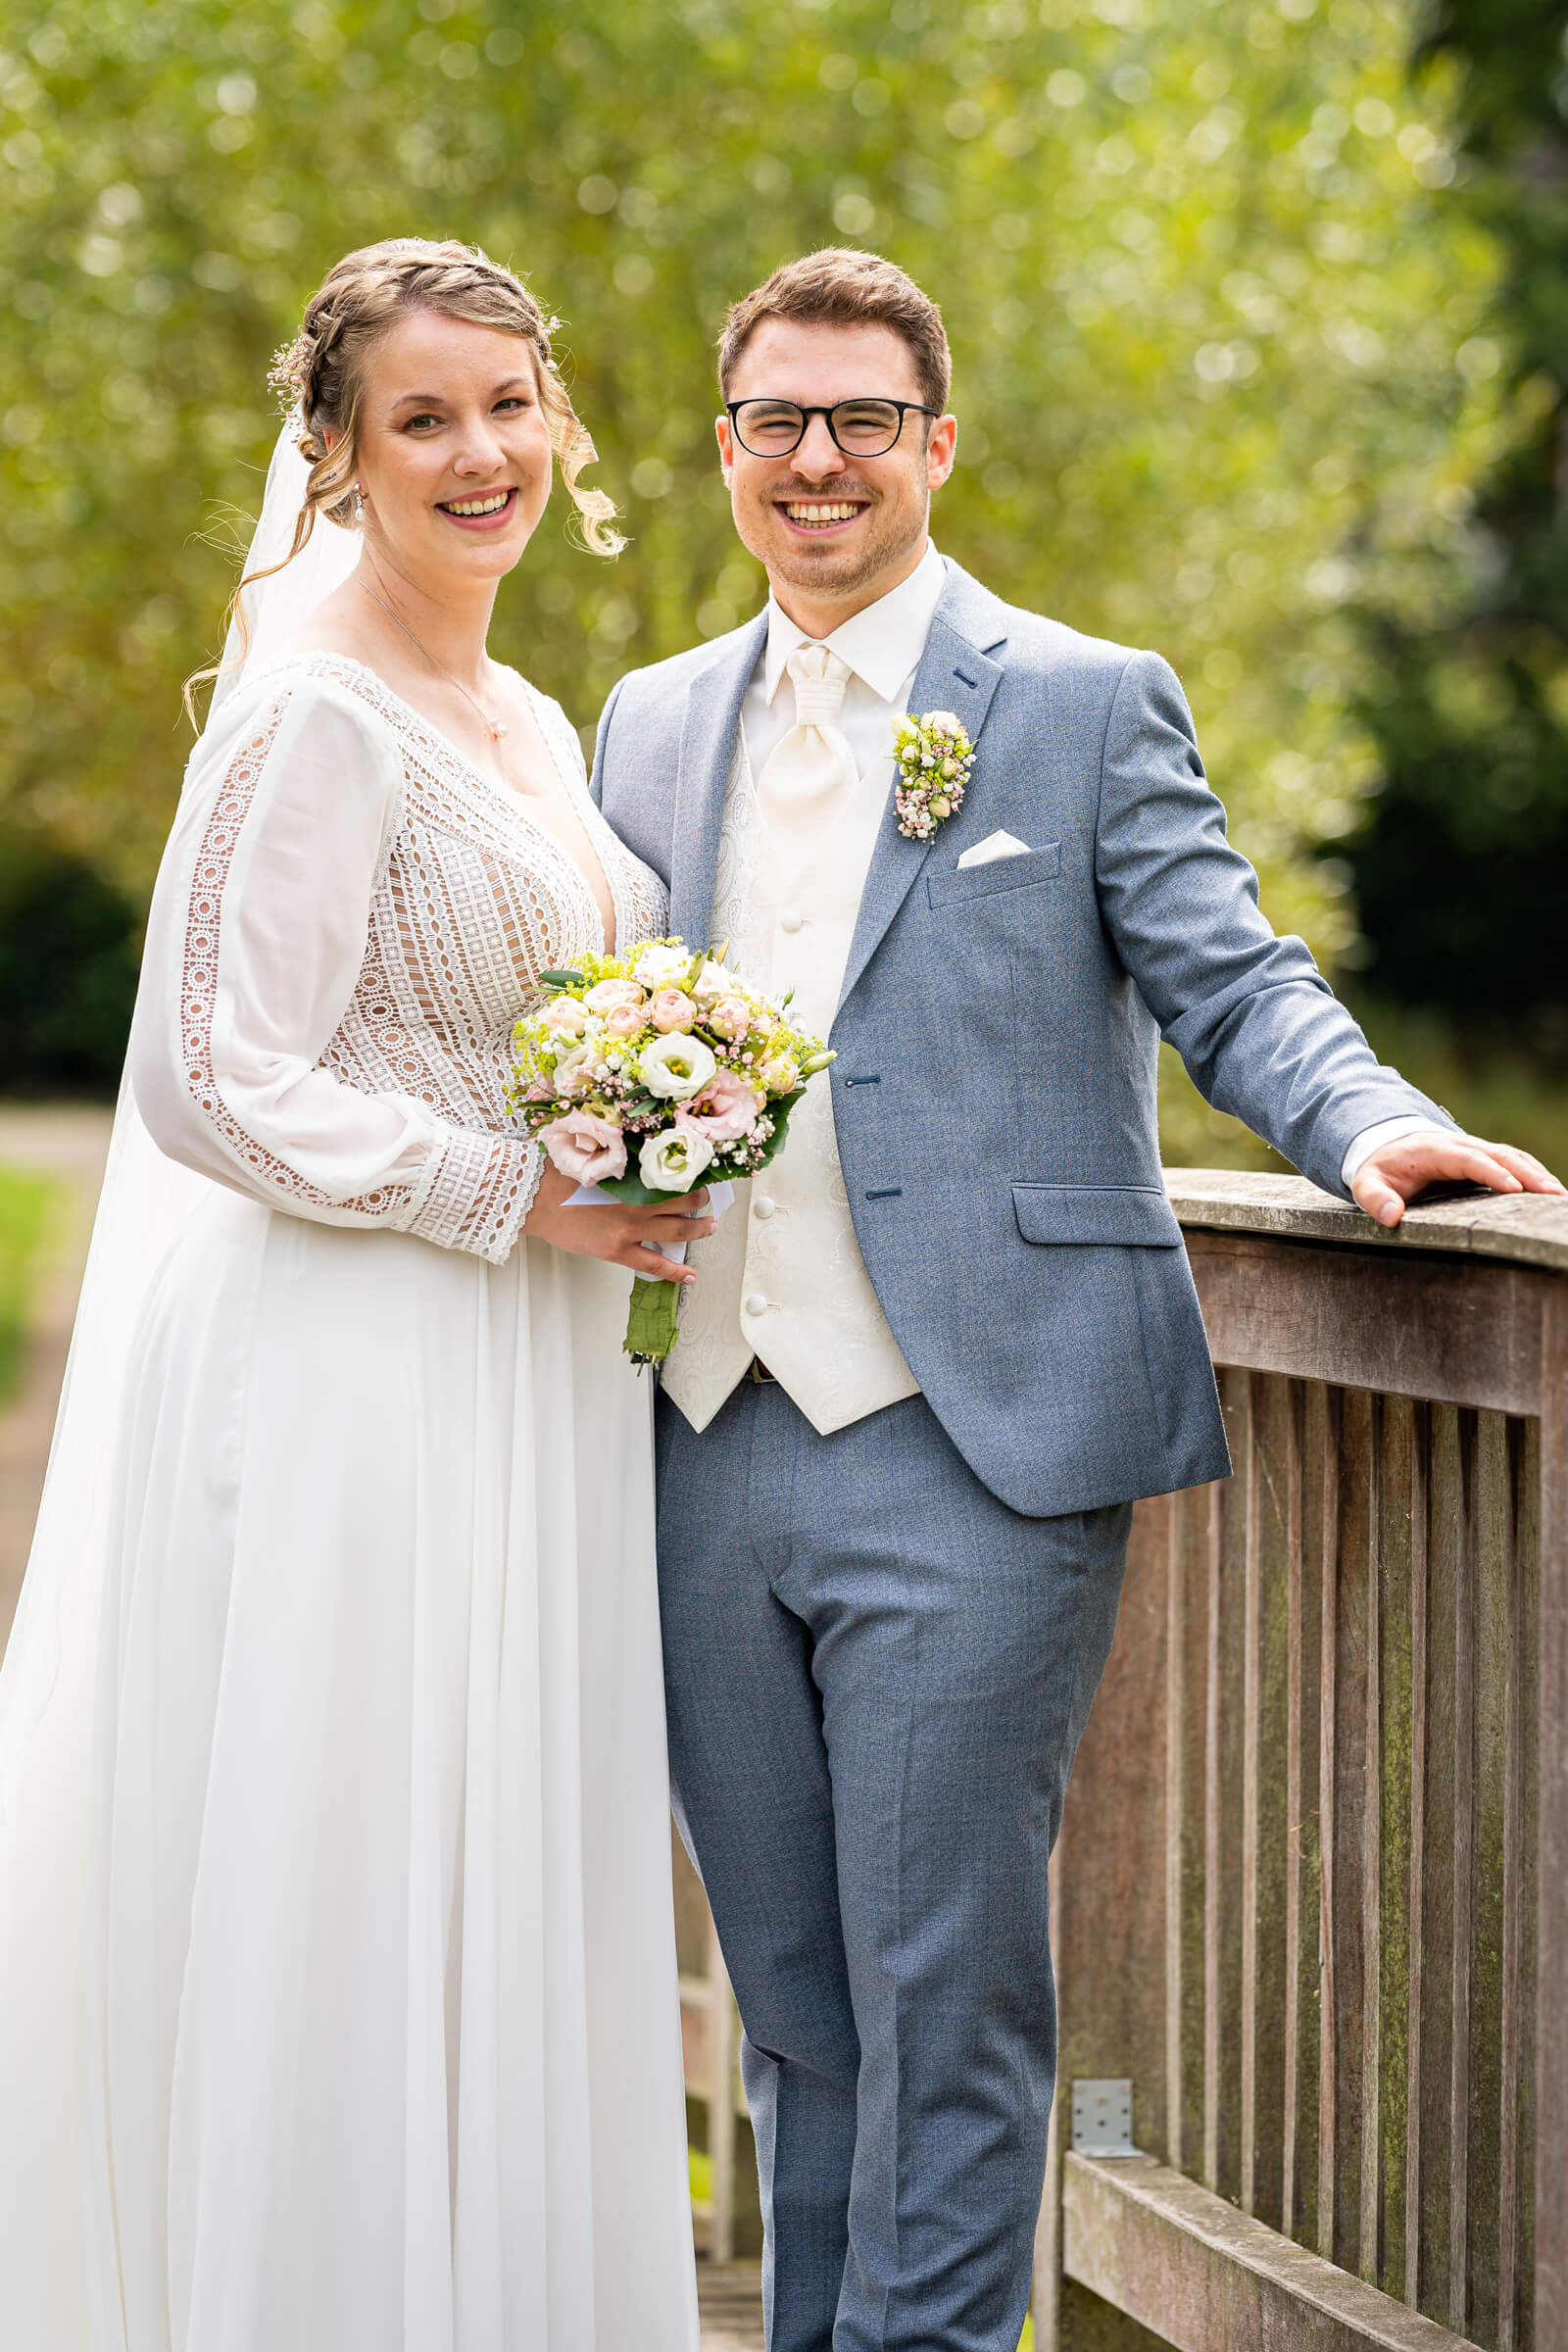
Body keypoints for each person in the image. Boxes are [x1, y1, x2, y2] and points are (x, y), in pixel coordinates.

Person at [591, 247, 1565, 2352]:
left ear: (936, 442)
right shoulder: (648, 723)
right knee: (791, 1999)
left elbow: (1231, 974)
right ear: (723, 450)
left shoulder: (1077, 695)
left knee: (944, 1989)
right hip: (690, 1438)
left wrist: (1369, 1125)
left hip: (975, 1438)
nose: (814, 458)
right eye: (773, 418)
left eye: (861, 417)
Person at [0, 238, 705, 2350]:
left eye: (508, 402)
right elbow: (211, 1075)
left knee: (500, 1870)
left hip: (533, 1372)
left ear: (557, 417)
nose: (480, 451)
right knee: (354, 1869)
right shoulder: (309, 702)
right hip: (358, 1374)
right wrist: (508, 1191)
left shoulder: (531, 720)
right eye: (423, 417)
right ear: (336, 453)